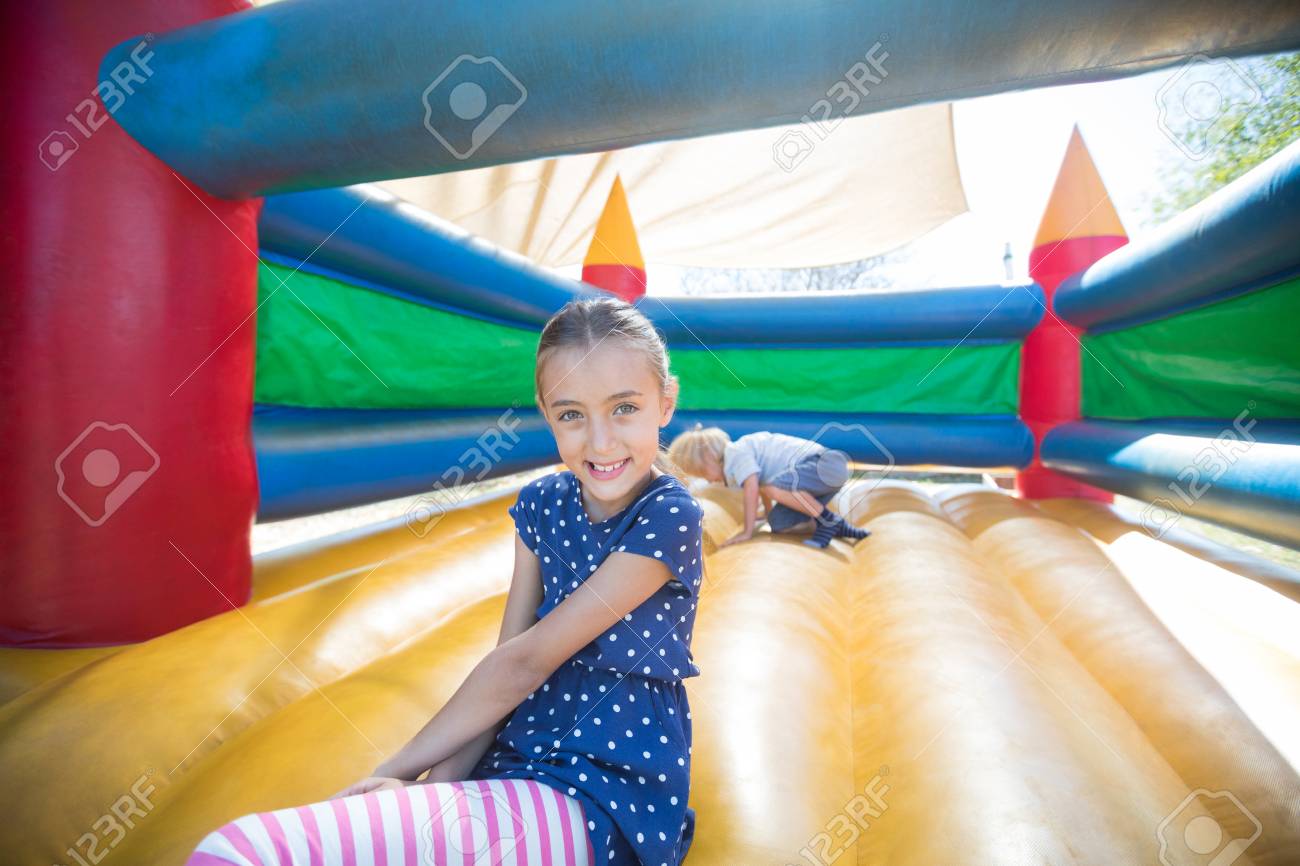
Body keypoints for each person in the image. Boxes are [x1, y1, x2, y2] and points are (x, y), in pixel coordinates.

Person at [185, 296, 705, 866]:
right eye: (572, 414)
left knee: (237, 852)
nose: (601, 442)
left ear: (665, 403)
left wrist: (393, 771)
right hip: (515, 763)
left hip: (603, 788)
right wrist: (433, 788)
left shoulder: (668, 516)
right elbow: (506, 665)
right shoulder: (541, 505)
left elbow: (526, 661)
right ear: (545, 411)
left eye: (624, 408)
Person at [667, 425, 870, 550]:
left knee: (773, 488)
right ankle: (840, 527)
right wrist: (767, 515)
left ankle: (828, 521)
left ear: (709, 459)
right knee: (780, 525)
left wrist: (747, 531)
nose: (709, 481)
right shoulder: (741, 461)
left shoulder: (736, 452)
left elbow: (754, 489)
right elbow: (763, 486)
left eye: (703, 474)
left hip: (825, 464)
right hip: (817, 480)